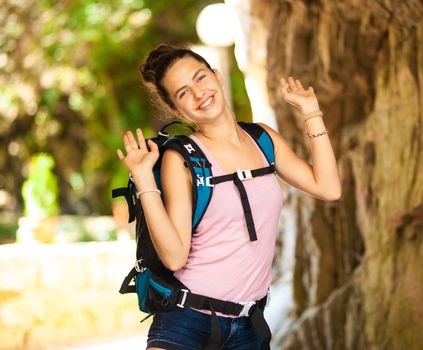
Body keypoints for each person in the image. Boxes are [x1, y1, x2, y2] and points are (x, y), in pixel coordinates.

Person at [116, 44, 341, 350]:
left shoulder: (263, 140)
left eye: (200, 78)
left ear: (217, 76)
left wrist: (311, 113)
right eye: (183, 93)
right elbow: (174, 256)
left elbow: (328, 187)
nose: (199, 93)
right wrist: (143, 179)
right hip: (187, 323)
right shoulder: (182, 158)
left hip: (248, 325)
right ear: (176, 111)